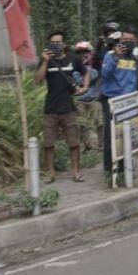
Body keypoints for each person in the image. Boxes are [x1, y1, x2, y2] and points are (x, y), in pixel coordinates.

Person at [34, 31, 89, 183]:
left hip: (68, 107)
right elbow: (38, 80)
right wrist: (45, 62)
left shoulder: (72, 58)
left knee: (74, 143)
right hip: (50, 107)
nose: (57, 45)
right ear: (49, 45)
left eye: (59, 42)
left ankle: (76, 172)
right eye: (53, 42)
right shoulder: (46, 60)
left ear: (64, 44)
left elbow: (85, 73)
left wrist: (84, 87)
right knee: (49, 144)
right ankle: (51, 173)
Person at [99, 27, 138, 180]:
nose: (128, 43)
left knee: (128, 134)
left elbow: (136, 79)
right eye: (125, 40)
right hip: (111, 100)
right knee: (112, 135)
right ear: (120, 41)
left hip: (129, 101)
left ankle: (125, 165)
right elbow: (104, 74)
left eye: (131, 40)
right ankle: (110, 169)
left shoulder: (134, 58)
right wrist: (117, 56)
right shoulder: (110, 56)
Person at [72, 40, 102, 151]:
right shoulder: (74, 68)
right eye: (80, 53)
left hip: (94, 98)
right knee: (82, 124)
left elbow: (96, 76)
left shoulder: (94, 66)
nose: (83, 55)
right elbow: (78, 80)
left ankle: (101, 143)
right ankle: (86, 146)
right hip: (80, 99)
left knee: (100, 121)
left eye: (85, 52)